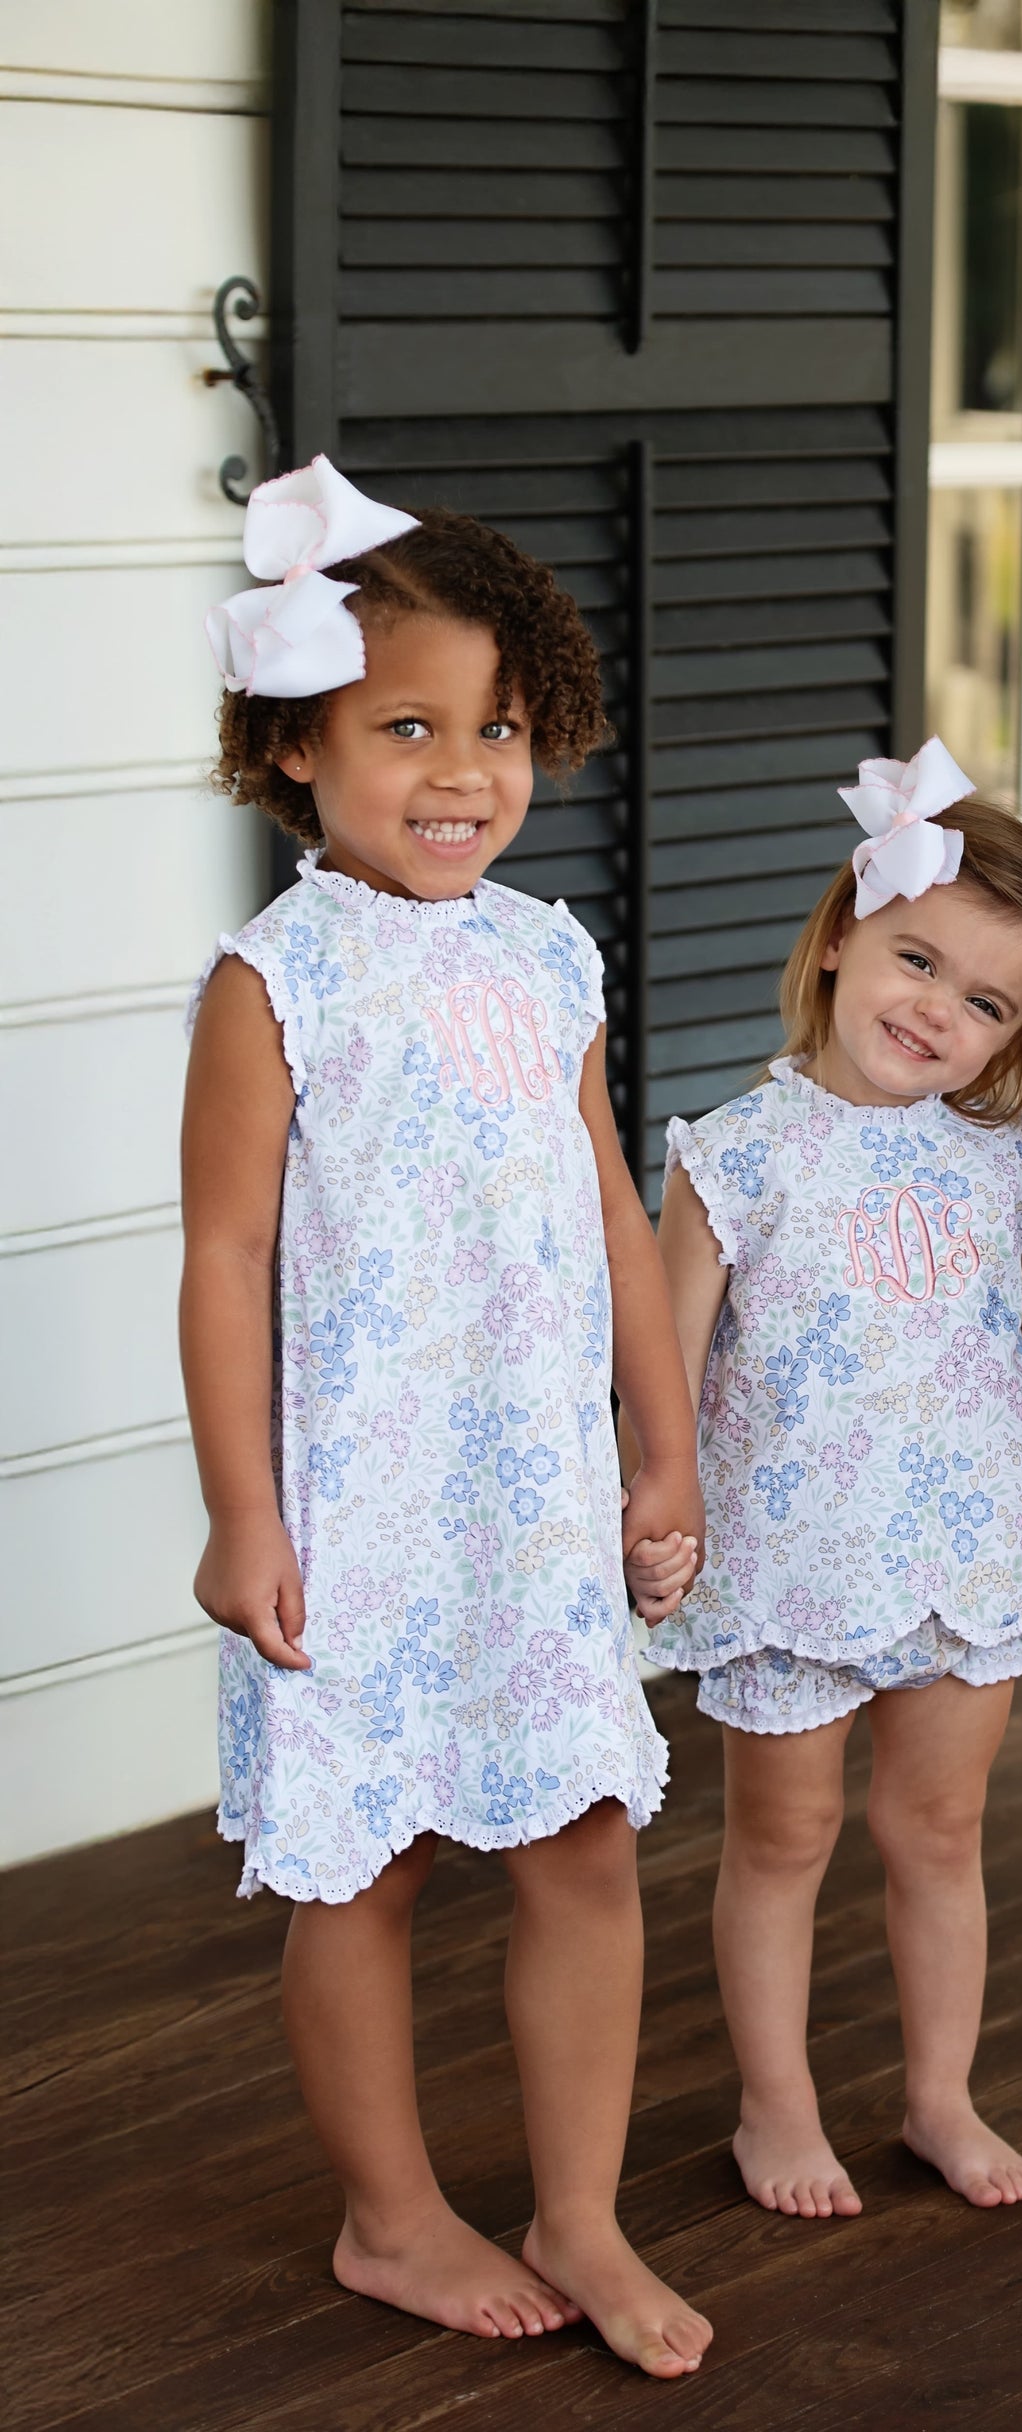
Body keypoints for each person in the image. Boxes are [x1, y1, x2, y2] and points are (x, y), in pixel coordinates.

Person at [181, 460, 711, 2375]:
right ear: (297, 745)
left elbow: (612, 1222)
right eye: (406, 727)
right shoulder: (276, 982)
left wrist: (663, 1442)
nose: (461, 771)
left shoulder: (542, 957)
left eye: (497, 727)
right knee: (373, 1858)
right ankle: (390, 2218)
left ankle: (579, 2202)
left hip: (535, 1486)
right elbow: (224, 1258)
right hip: (359, 1492)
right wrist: (245, 1514)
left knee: (580, 1832)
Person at [624, 744, 1022, 2220]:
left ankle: (939, 2097)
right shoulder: (734, 1157)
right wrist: (658, 1508)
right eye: (917, 960)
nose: (938, 1010)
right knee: (783, 1838)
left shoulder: (999, 1159)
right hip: (790, 1561)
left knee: (937, 1832)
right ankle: (777, 2109)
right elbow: (664, 1373)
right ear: (838, 941)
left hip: (960, 1549)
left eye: (986, 1001)